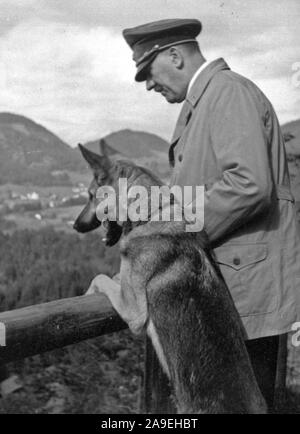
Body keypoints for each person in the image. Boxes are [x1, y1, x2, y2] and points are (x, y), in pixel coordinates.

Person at [122, 18, 300, 412]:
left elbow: (248, 185)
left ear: (174, 56)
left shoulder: (226, 93)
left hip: (246, 295)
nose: (149, 85)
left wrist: (170, 231)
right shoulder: (208, 99)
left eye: (147, 72)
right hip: (232, 294)